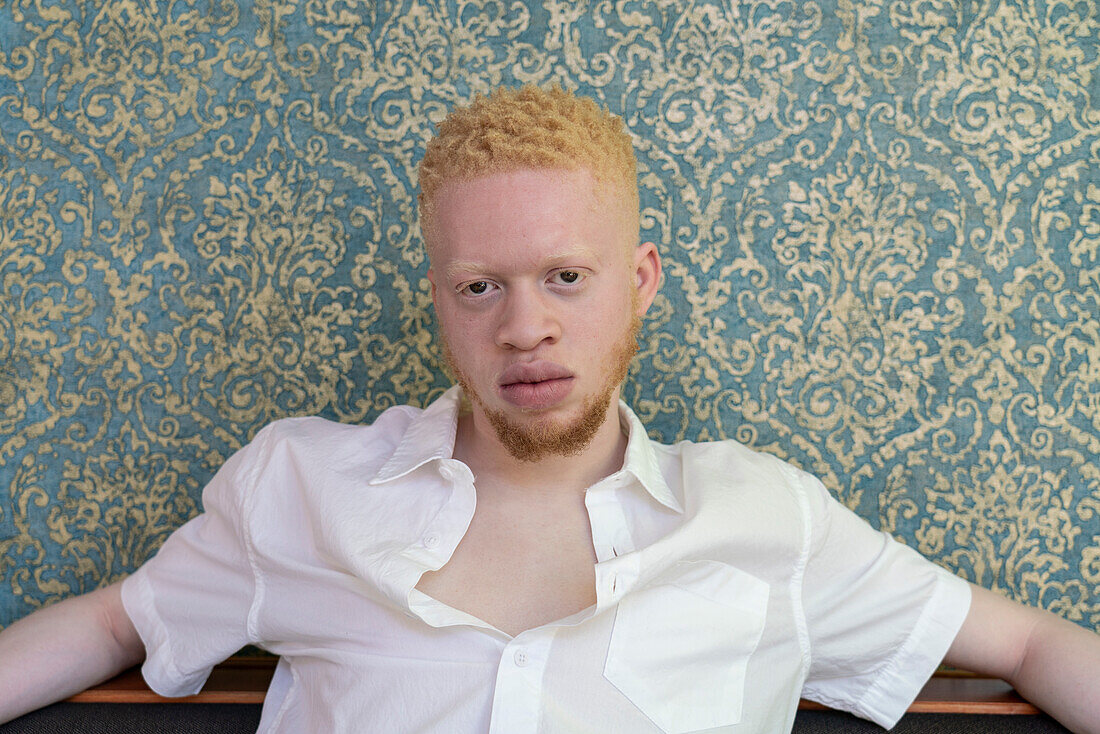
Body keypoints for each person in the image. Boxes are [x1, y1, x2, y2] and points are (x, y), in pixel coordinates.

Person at [1, 85, 1098, 733]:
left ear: (640, 279)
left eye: (564, 278)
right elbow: (114, 621)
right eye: (480, 285)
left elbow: (1028, 639)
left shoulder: (769, 516)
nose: (523, 326)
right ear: (438, 297)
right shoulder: (297, 486)